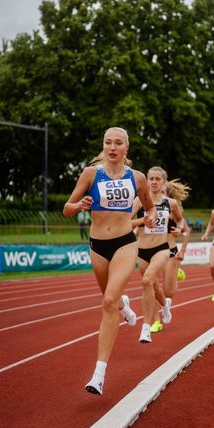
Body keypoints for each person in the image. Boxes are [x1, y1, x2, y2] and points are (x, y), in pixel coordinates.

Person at [63, 127, 157, 396]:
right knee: (111, 299)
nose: (112, 147)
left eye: (118, 143)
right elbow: (66, 209)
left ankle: (99, 373)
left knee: (107, 302)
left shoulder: (137, 178)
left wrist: (149, 217)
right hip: (97, 246)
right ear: (103, 146)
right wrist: (80, 205)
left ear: (126, 148)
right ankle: (125, 305)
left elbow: (149, 206)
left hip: (125, 243)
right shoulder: (90, 174)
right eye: (108, 142)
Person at [131, 167, 186, 343]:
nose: (154, 182)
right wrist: (141, 221)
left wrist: (179, 229)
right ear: (146, 181)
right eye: (151, 179)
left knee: (146, 281)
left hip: (162, 248)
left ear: (163, 182)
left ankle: (145, 327)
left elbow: (181, 221)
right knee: (153, 287)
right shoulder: (139, 202)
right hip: (142, 250)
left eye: (157, 179)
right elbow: (125, 221)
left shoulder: (171, 203)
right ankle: (166, 305)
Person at [150, 179, 191, 333]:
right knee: (153, 286)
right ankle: (156, 321)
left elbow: (186, 231)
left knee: (168, 292)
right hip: (152, 250)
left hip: (170, 251)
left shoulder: (173, 207)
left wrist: (183, 250)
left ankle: (176, 272)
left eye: (162, 192)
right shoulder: (148, 206)